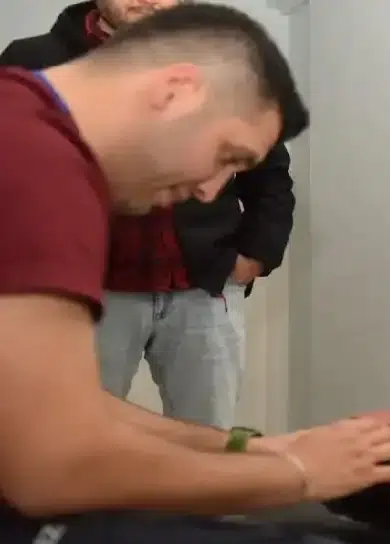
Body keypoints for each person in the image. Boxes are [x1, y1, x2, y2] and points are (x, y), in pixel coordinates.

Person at [0, 5, 390, 544]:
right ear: (177, 91)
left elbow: (69, 410)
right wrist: (297, 476)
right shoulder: (36, 160)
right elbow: (54, 467)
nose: (208, 190)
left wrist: (256, 447)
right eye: (228, 155)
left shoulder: (20, 121)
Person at [1, 0, 298, 430]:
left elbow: (270, 176)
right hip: (91, 292)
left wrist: (255, 255)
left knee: (204, 436)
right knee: (76, 433)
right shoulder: (31, 66)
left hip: (204, 288)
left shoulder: (227, 66)